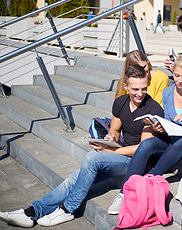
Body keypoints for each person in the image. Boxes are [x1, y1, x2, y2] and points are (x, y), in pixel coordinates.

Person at [0, 65, 164, 228]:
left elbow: (143, 149)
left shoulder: (153, 109)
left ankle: (68, 209)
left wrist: (113, 150)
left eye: (144, 88)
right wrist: (109, 139)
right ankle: (32, 212)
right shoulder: (120, 102)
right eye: (135, 89)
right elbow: (114, 130)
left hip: (138, 164)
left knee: (92, 158)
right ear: (126, 86)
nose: (140, 93)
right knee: (74, 178)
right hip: (119, 156)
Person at [108, 55, 182, 214]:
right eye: (176, 75)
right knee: (146, 144)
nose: (180, 80)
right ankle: (124, 193)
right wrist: (160, 128)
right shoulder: (168, 93)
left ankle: (149, 180)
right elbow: (168, 122)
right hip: (173, 138)